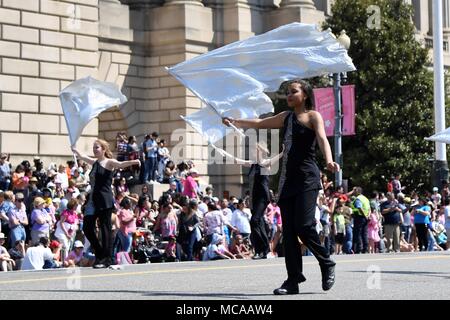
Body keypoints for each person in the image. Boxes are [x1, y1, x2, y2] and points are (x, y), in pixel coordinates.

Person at [223, 79, 339, 295]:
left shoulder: (313, 116)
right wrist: (234, 121)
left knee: (304, 226)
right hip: (287, 181)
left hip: (307, 178)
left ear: (305, 94)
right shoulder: (285, 117)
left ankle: (326, 262)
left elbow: (323, 139)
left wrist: (329, 160)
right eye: (287, 92)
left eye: (293, 92)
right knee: (289, 232)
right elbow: (259, 123)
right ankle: (293, 280)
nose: (289, 95)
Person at [71, 139, 140, 268]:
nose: (94, 149)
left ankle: (107, 259)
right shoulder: (95, 162)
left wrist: (134, 161)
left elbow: (120, 164)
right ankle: (100, 254)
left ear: (103, 149)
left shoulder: (108, 162)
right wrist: (75, 149)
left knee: (105, 229)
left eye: (96, 147)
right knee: (87, 227)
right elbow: (83, 156)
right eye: (93, 147)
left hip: (105, 199)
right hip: (93, 200)